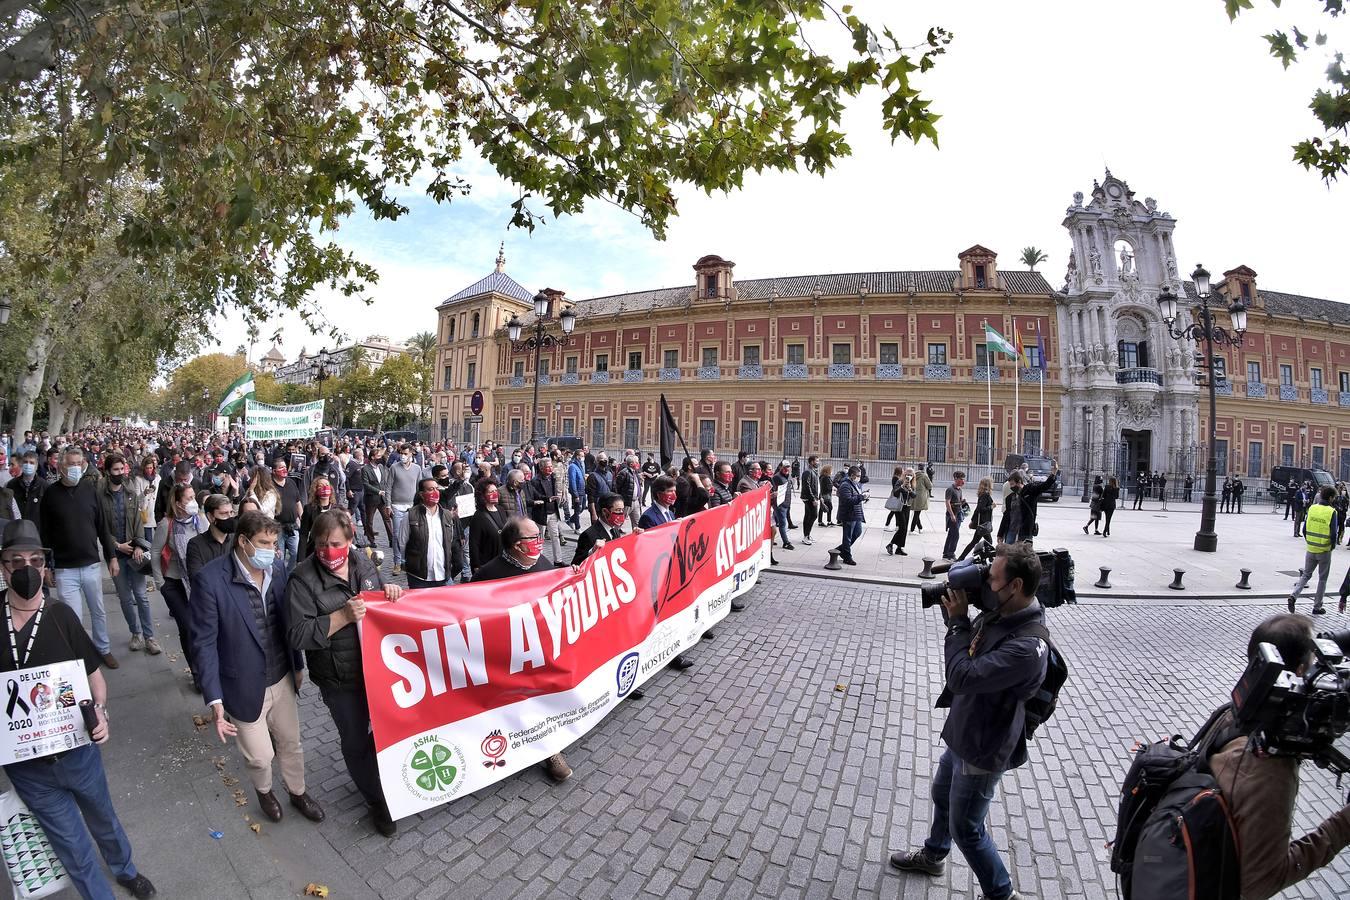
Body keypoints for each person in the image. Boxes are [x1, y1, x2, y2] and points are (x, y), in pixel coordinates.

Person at [0, 520, 157, 900]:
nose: (26, 569)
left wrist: (100, 712)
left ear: (44, 567)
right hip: (28, 767)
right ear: (2, 566)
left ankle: (125, 869)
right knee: (73, 846)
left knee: (103, 820)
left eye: (35, 561)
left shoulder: (61, 616)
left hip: (78, 752)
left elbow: (93, 677)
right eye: (15, 560)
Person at [889, 543, 1048, 900]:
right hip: (967, 731)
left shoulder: (1026, 648)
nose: (985, 584)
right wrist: (960, 609)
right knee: (941, 794)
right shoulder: (1004, 612)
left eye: (991, 579)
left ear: (1016, 586)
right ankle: (933, 855)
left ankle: (1001, 893)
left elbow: (961, 676)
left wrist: (958, 623)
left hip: (983, 746)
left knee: (968, 827)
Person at [191, 510, 324, 827]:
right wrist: (215, 701)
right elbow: (204, 644)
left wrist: (297, 664)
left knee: (291, 743)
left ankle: (297, 791)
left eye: (274, 542)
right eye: (264, 542)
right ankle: (264, 791)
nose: (272, 549)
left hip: (281, 676)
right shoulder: (210, 581)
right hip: (242, 686)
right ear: (243, 542)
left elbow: (286, 622)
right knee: (261, 756)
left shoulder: (277, 568)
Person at [1207, 614, 1350, 900]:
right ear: (1298, 673)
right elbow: (1259, 884)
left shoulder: (1232, 715)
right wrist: (1343, 825)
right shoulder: (1268, 768)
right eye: (1312, 664)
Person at [287, 510, 403, 836]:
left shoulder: (363, 561)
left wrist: (389, 592)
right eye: (321, 545)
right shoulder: (301, 579)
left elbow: (377, 596)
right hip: (339, 680)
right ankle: (376, 802)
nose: (328, 551)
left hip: (377, 670)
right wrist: (341, 617)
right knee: (354, 741)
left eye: (335, 544)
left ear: (350, 541)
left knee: (383, 731)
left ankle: (382, 774)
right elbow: (297, 634)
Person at [470, 516, 575, 781]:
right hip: (507, 656)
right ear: (517, 545)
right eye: (533, 538)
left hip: (542, 650)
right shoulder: (488, 575)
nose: (540, 541)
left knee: (544, 698)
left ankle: (551, 748)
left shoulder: (542, 563)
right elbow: (470, 616)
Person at [40, 446, 119, 668]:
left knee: (98, 611)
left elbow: (102, 527)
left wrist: (111, 557)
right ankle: (79, 655)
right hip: (65, 569)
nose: (75, 468)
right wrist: (46, 566)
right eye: (70, 464)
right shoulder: (51, 494)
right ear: (60, 466)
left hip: (92, 564)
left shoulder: (89, 490)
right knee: (72, 617)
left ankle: (103, 649)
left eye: (78, 464)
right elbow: (44, 532)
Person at [151, 482, 209, 689]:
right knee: (187, 628)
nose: (194, 502)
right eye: (189, 498)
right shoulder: (167, 525)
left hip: (198, 584)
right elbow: (155, 553)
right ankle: (197, 673)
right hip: (175, 584)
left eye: (194, 497)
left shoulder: (200, 521)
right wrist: (160, 583)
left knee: (201, 627)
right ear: (178, 503)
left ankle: (207, 668)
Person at [99, 453, 157, 655]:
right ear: (108, 471)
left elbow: (139, 521)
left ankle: (150, 637)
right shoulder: (100, 494)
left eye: (121, 469)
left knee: (141, 595)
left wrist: (140, 545)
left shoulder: (130, 492)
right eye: (115, 470)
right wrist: (116, 545)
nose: (119, 473)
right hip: (115, 555)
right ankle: (136, 633)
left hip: (135, 552)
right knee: (125, 597)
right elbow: (101, 527)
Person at [1286, 486, 1339, 615]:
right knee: (1322, 579)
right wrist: (1331, 547)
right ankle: (1317, 607)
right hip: (1324, 550)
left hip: (1311, 548)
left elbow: (1304, 529)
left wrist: (1310, 541)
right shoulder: (1332, 512)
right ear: (1331, 497)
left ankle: (1293, 595)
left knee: (1306, 575)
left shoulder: (1312, 508)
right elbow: (1333, 534)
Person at [404, 477, 461, 589]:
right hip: (419, 578)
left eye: (436, 489)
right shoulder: (411, 516)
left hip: (443, 576)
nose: (435, 492)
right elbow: (403, 543)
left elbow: (450, 542)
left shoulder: (447, 516)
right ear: (421, 494)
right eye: (430, 489)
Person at [996, 464, 1058, 545]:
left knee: (1024, 554)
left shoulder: (1030, 490)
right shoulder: (1010, 498)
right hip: (1011, 529)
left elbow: (1043, 486)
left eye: (1012, 484)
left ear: (1019, 481)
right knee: (1008, 553)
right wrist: (1000, 534)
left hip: (1025, 530)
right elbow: (1006, 516)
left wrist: (1053, 474)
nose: (1011, 487)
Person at [386, 446, 425, 575]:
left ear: (411, 454)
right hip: (397, 506)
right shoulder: (394, 468)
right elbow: (389, 487)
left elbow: (420, 488)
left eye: (405, 453)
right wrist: (388, 505)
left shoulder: (417, 468)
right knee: (397, 535)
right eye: (401, 453)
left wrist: (421, 504)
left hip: (412, 506)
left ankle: (408, 561)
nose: (402, 455)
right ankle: (397, 562)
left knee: (413, 534)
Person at [187, 494, 236, 580]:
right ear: (210, 517)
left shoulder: (236, 540)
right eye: (224, 513)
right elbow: (197, 579)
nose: (229, 517)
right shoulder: (196, 545)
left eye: (231, 512)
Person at [468, 477, 508, 577]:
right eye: (490, 492)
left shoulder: (501, 510)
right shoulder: (478, 516)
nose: (495, 494)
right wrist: (476, 565)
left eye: (495, 491)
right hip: (487, 562)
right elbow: (474, 544)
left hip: (503, 560)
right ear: (483, 496)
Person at [298, 475, 338, 561]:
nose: (324, 488)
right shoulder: (309, 509)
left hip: (333, 551)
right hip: (314, 551)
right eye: (321, 486)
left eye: (327, 485)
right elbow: (303, 534)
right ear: (315, 490)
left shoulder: (337, 509)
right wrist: (300, 559)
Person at [834, 466, 867, 567]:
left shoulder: (854, 484)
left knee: (857, 532)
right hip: (848, 514)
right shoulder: (845, 485)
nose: (859, 478)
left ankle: (840, 550)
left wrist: (863, 496)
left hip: (856, 514)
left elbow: (855, 497)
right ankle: (847, 556)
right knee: (847, 537)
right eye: (858, 476)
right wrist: (861, 497)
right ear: (852, 475)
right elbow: (847, 501)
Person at [957, 477, 995, 560]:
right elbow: (980, 509)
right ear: (988, 484)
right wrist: (991, 507)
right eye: (991, 483)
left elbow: (977, 509)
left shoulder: (983, 495)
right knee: (987, 542)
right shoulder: (985, 495)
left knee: (979, 542)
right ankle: (988, 559)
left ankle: (962, 557)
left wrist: (972, 520)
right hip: (983, 523)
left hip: (982, 523)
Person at [886, 468, 915, 557]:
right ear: (904, 474)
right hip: (899, 507)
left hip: (907, 507)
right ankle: (890, 544)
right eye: (907, 474)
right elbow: (895, 493)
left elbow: (914, 495)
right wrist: (902, 486)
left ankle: (899, 548)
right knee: (902, 527)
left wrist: (910, 490)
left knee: (905, 528)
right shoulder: (899, 481)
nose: (909, 476)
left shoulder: (913, 484)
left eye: (911, 475)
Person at [770, 461, 795, 550]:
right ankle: (786, 542)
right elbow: (773, 489)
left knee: (774, 522)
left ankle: (771, 538)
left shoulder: (787, 475)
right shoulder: (777, 477)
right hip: (780, 504)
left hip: (786, 503)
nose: (787, 468)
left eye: (788, 466)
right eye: (785, 467)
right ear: (780, 467)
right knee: (782, 524)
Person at [942, 471, 967, 561]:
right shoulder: (950, 489)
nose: (963, 481)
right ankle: (951, 554)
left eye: (964, 479)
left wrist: (962, 502)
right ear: (955, 478)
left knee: (951, 534)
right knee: (955, 535)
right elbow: (947, 503)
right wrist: (952, 515)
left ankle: (946, 553)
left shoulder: (959, 490)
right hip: (953, 515)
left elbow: (957, 502)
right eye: (961, 479)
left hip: (959, 514)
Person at [799, 457, 820, 547]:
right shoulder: (808, 472)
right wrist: (813, 499)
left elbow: (817, 486)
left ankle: (807, 535)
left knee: (810, 516)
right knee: (812, 515)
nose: (818, 463)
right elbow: (807, 486)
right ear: (812, 462)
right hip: (809, 498)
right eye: (817, 461)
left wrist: (819, 497)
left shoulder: (814, 471)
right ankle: (806, 536)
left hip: (814, 497)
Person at [910, 466, 931, 533]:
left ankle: (920, 527)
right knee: (917, 513)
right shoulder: (924, 476)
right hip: (921, 496)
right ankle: (912, 529)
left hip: (914, 495)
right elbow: (929, 486)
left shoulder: (914, 475)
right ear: (923, 469)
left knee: (916, 512)